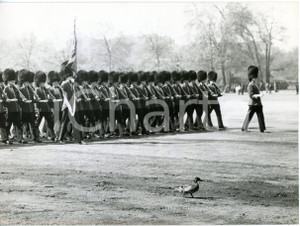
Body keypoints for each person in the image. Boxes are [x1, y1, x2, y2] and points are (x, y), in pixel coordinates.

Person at [242, 65, 266, 133]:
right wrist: (259, 95)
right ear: (252, 78)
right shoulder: (250, 85)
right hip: (253, 103)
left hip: (258, 103)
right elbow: (251, 95)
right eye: (254, 78)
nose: (255, 79)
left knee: (260, 116)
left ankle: (262, 128)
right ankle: (244, 128)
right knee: (249, 116)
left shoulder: (255, 85)